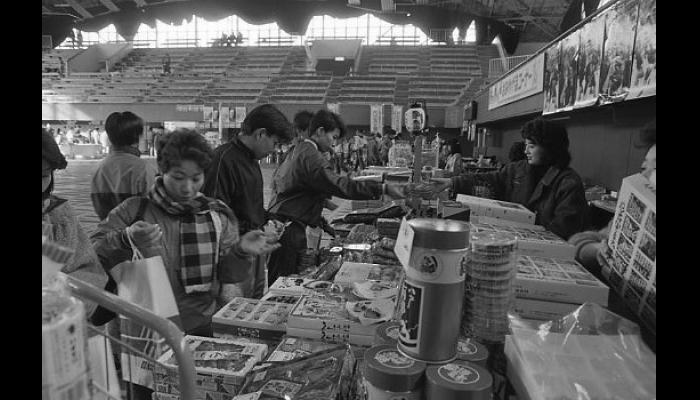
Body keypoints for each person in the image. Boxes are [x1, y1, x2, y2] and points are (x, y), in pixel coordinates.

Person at [92, 129, 280, 336]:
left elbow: (228, 275)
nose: (187, 188)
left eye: (196, 178)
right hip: (145, 330)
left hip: (201, 326)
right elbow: (93, 252)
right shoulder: (134, 211)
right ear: (162, 171)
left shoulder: (217, 214)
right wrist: (125, 238)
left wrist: (241, 250)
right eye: (179, 177)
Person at [266, 110, 405, 282]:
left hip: (285, 222)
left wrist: (325, 224)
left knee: (283, 276)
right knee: (283, 280)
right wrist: (382, 188)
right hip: (289, 228)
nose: (334, 143)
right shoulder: (310, 155)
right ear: (320, 131)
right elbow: (339, 184)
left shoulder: (300, 149)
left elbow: (303, 192)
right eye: (333, 137)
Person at [435, 117, 589, 240]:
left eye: (532, 146)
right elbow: (490, 179)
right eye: (526, 145)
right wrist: (452, 182)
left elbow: (563, 231)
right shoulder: (517, 169)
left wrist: (529, 233)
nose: (526, 150)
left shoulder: (569, 183)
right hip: (510, 241)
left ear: (550, 148)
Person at [202, 104, 294, 299]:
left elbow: (248, 205)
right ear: (261, 134)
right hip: (232, 255)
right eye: (275, 143)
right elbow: (215, 216)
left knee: (252, 305)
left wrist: (270, 219)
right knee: (232, 310)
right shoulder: (223, 159)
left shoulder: (251, 161)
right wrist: (248, 233)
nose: (274, 150)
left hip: (252, 248)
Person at [569, 119, 656, 274]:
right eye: (643, 167)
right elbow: (576, 243)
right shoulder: (635, 215)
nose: (644, 175)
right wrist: (598, 250)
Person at [43, 128, 108, 317]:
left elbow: (90, 270)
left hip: (56, 327)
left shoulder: (59, 215)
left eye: (44, 176)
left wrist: (59, 296)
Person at [91, 112, 158, 221]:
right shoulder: (144, 168)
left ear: (109, 136)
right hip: (140, 234)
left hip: (107, 232)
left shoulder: (99, 169)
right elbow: (154, 209)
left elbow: (100, 208)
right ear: (137, 136)